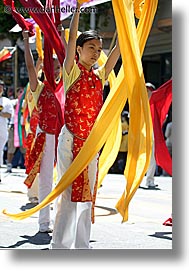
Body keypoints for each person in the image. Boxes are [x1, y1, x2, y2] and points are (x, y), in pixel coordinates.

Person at [51, 1, 120, 249]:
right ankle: (59, 247)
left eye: (98, 48)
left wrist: (127, 28)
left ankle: (82, 247)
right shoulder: (72, 71)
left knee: (88, 197)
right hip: (70, 140)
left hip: (90, 145)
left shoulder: (99, 76)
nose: (95, 52)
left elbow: (116, 54)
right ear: (79, 50)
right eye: (90, 47)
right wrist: (78, 9)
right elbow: (69, 41)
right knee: (69, 196)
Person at [22, 30, 63, 233]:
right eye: (52, 67)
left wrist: (61, 36)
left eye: (58, 68)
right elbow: (30, 66)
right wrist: (25, 41)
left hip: (65, 135)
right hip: (46, 135)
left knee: (64, 179)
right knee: (47, 179)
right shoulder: (38, 87)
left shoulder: (65, 86)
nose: (55, 71)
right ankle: (44, 223)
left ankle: (62, 221)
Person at [6, 87, 26, 173]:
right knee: (11, 147)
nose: (21, 93)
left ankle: (27, 166)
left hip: (22, 127)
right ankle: (9, 165)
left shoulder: (26, 103)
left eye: (22, 92)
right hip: (14, 127)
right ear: (17, 93)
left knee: (25, 148)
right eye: (20, 92)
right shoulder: (12, 102)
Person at [145, 82, 158, 188]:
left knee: (151, 158)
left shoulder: (155, 105)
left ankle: (150, 180)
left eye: (149, 90)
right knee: (136, 158)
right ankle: (135, 181)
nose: (147, 92)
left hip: (151, 133)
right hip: (139, 133)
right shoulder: (139, 102)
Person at [0, 80, 13, 183]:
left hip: (2, 129)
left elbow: (9, 114)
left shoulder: (6, 101)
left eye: (1, 87)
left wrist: (1, 113)